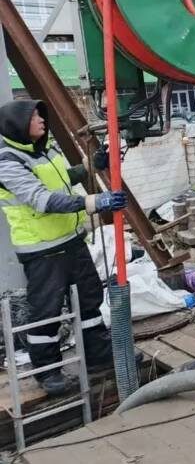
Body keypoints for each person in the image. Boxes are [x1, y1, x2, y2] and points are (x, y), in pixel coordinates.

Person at [0, 99, 126, 396]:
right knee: (46, 312)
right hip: (42, 250)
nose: (43, 120)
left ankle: (98, 356)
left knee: (89, 300)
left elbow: (62, 180)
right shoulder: (8, 162)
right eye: (35, 117)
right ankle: (47, 371)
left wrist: (89, 167)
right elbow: (42, 200)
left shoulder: (44, 151)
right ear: (17, 124)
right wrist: (94, 202)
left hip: (70, 240)